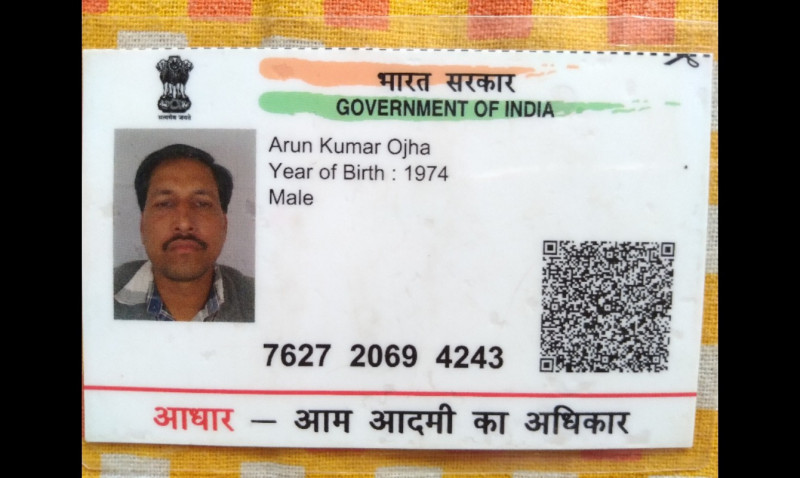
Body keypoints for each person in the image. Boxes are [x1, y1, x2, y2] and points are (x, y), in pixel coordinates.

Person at [114, 144, 255, 322]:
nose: (184, 224)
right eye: (165, 204)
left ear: (224, 226)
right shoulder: (95, 292)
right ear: (142, 226)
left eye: (202, 204)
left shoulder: (266, 302)